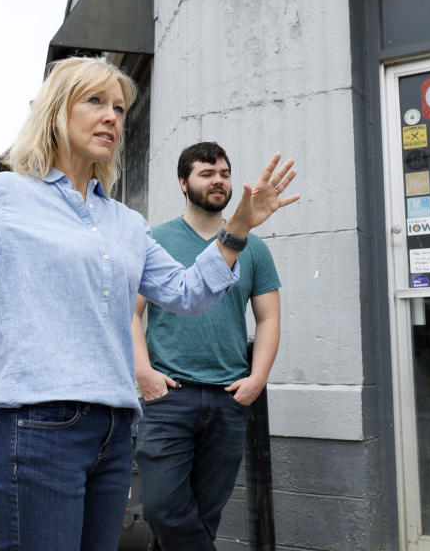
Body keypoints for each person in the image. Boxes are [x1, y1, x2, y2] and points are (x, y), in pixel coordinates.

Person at [0, 56, 299, 551]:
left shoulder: (127, 223)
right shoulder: (4, 195)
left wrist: (236, 230)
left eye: (118, 107)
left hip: (113, 430)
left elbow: (188, 295)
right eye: (95, 101)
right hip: (35, 426)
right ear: (54, 112)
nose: (112, 116)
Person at [132, 142, 282, 551]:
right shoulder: (155, 240)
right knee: (163, 509)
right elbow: (130, 313)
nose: (218, 180)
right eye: (206, 173)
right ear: (183, 182)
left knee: (202, 515)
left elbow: (268, 318)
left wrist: (257, 379)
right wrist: (143, 371)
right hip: (168, 396)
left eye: (225, 173)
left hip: (228, 398)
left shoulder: (254, 247)